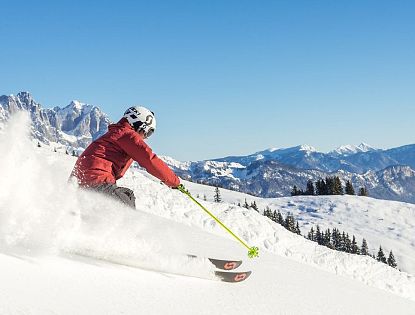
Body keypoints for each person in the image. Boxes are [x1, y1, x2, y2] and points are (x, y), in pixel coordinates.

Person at [70, 106, 181, 208]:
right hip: (97, 180)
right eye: (148, 132)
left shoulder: (115, 134)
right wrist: (174, 182)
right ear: (140, 125)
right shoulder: (127, 135)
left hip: (82, 182)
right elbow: (149, 159)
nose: (146, 137)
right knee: (126, 198)